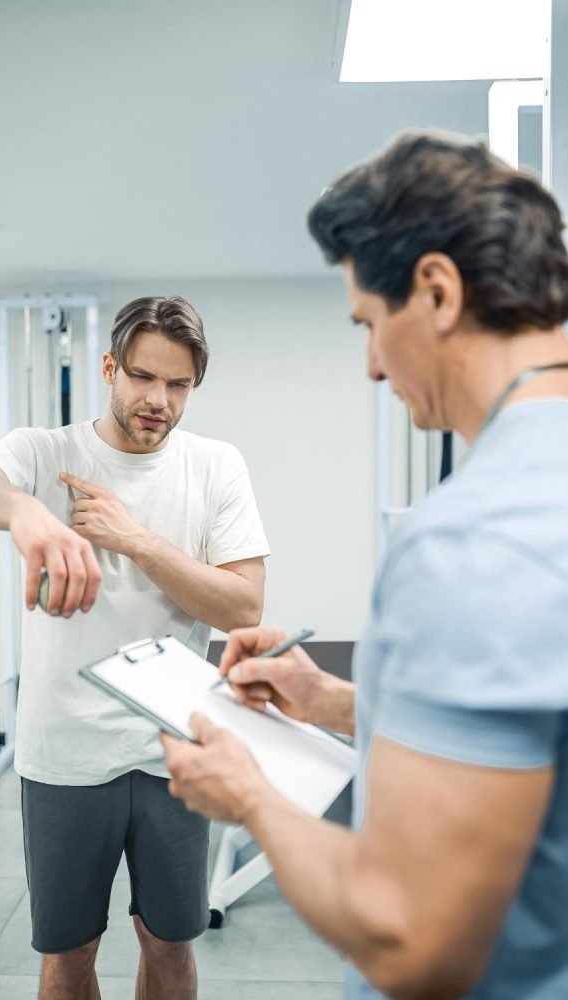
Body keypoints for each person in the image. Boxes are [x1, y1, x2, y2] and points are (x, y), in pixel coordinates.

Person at [161, 132, 568, 1000]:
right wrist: (338, 703)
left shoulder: (472, 536)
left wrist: (249, 797)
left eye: (369, 325)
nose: (373, 366)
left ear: (435, 291)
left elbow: (414, 940)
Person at [0, 294, 269, 1000]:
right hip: (65, 751)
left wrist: (135, 541)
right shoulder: (47, 452)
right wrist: (24, 511)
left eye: (178, 385)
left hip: (175, 748)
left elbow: (243, 606)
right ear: (110, 367)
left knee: (170, 944)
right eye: (143, 377)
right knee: (70, 952)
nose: (158, 401)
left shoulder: (214, 465)